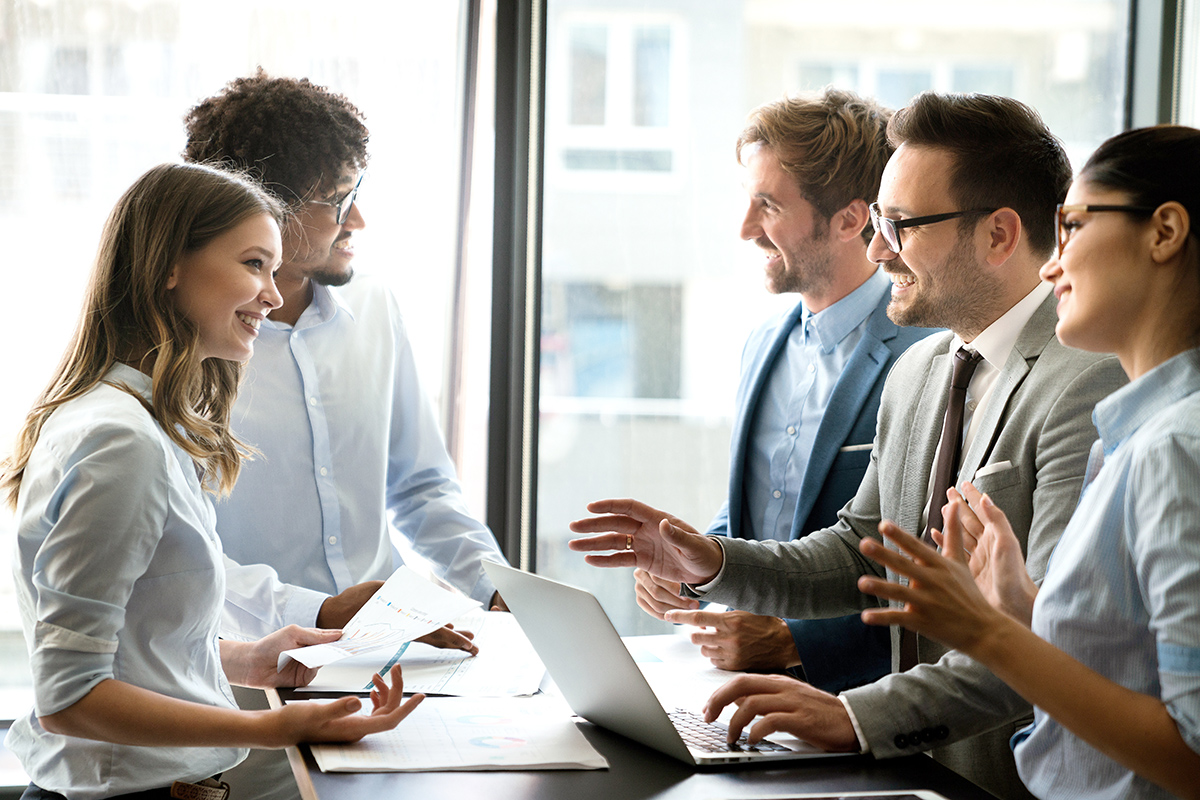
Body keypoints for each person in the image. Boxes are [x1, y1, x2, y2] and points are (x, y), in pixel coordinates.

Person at [569, 92, 1128, 799]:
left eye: (899, 225)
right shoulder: (920, 371)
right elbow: (859, 550)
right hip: (906, 771)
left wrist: (855, 717)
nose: (875, 248)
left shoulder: (1088, 382)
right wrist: (710, 561)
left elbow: (1050, 640)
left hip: (1005, 783)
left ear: (999, 235)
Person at [0, 162, 423, 800]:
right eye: (254, 264)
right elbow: (71, 697)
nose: (274, 295)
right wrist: (273, 727)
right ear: (170, 265)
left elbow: (128, 642)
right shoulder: (121, 442)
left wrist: (245, 659)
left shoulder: (135, 422)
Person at [856, 124, 1200, 799]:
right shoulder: (1136, 438)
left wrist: (987, 633)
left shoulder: (1174, 449)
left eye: (1071, 226)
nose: (1050, 264)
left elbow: (1193, 753)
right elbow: (1129, 665)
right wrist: (1021, 610)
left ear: (1164, 232)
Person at [181, 71, 509, 645]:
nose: (357, 221)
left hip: (393, 646)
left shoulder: (376, 306)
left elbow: (420, 486)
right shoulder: (184, 349)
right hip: (243, 665)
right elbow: (185, 556)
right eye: (338, 200)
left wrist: (498, 591)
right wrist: (327, 613)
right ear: (264, 209)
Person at [631, 88, 937, 691]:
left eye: (768, 206)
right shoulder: (763, 344)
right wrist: (691, 565)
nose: (746, 229)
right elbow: (755, 514)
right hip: (740, 688)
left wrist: (798, 644)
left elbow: (933, 573)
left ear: (852, 219)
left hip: (860, 703)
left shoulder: (928, 357)